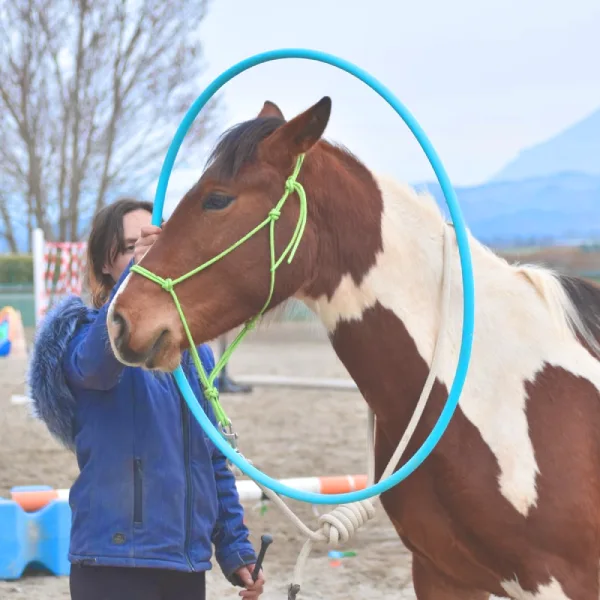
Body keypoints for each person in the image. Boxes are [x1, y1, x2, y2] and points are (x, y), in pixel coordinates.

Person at [28, 198, 265, 600]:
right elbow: (99, 366)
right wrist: (140, 276)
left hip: (185, 563)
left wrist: (234, 548)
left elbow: (211, 458)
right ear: (106, 262)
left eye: (157, 244)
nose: (149, 256)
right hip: (111, 564)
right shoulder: (82, 336)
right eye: (133, 248)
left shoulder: (193, 353)